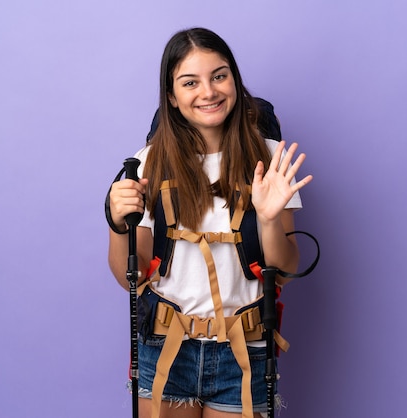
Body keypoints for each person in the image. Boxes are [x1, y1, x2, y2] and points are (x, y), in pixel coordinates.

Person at [107, 27, 313, 418]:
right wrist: (119, 226)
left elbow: (284, 268)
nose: (209, 92)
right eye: (190, 82)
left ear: (234, 79)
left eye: (219, 76)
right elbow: (128, 280)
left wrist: (268, 219)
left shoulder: (270, 158)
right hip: (165, 343)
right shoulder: (150, 161)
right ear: (172, 96)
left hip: (245, 348)